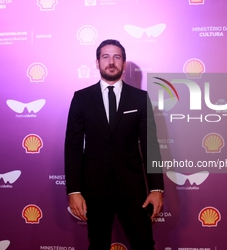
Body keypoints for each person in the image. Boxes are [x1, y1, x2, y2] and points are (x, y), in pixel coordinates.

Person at [64, 39, 164, 250]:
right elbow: (72, 147)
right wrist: (74, 191)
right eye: (106, 57)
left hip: (132, 188)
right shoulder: (81, 98)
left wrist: (156, 188)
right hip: (94, 188)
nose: (111, 62)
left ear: (124, 64)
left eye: (117, 57)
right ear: (97, 62)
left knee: (144, 244)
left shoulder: (140, 98)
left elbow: (150, 145)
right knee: (98, 245)